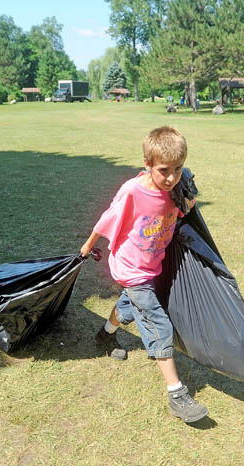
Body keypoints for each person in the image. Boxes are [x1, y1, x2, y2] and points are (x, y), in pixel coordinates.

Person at [79, 126, 208, 423]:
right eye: (164, 170)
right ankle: (177, 394)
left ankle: (105, 335)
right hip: (131, 267)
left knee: (129, 307)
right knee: (157, 323)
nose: (171, 177)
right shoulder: (133, 191)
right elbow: (108, 217)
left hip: (152, 265)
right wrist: (87, 246)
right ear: (148, 164)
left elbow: (183, 214)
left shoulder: (173, 190)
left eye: (178, 169)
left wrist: (188, 201)